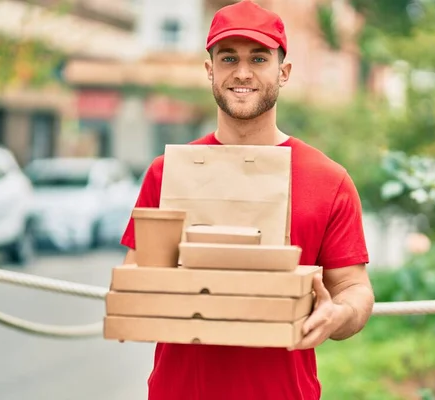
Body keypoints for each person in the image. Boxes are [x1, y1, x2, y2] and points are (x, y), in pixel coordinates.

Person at [120, 1, 375, 399]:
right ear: (210, 71)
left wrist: (337, 314)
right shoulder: (165, 173)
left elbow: (355, 289)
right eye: (228, 58)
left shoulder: (330, 180)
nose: (242, 72)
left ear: (283, 72)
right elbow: (138, 278)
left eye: (259, 58)